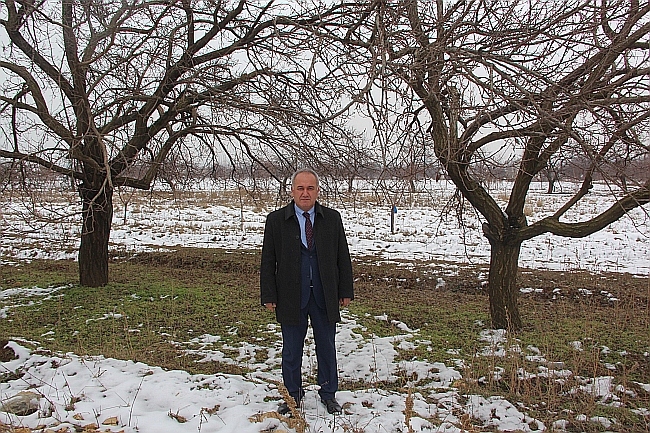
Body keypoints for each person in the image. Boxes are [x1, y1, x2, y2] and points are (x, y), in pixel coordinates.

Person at [260, 168, 354, 416]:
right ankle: (292, 396)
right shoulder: (276, 220)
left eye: (310, 188)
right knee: (291, 350)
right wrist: (269, 295)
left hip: (324, 295)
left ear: (317, 191)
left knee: (326, 347)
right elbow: (268, 261)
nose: (305, 193)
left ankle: (328, 394)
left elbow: (342, 257)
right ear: (292, 191)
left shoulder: (331, 219)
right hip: (290, 296)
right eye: (300, 188)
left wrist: (345, 290)